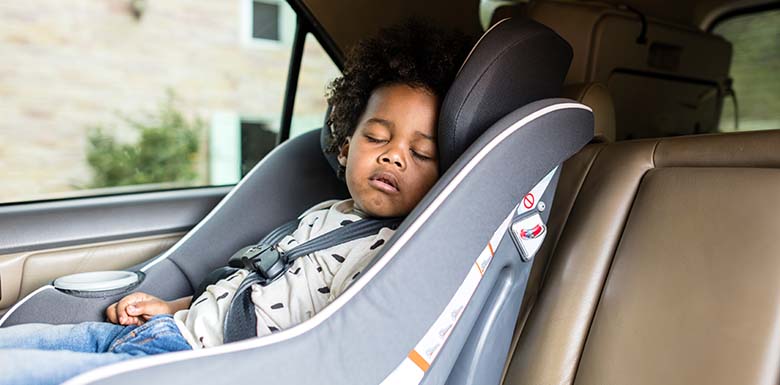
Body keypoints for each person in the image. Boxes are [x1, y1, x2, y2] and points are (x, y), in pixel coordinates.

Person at [0, 21, 472, 385]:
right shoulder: (324, 216)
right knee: (12, 347)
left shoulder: (392, 254)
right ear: (345, 146)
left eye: (421, 152)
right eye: (377, 136)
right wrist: (171, 307)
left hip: (191, 364)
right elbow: (253, 288)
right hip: (164, 333)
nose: (393, 154)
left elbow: (324, 344)